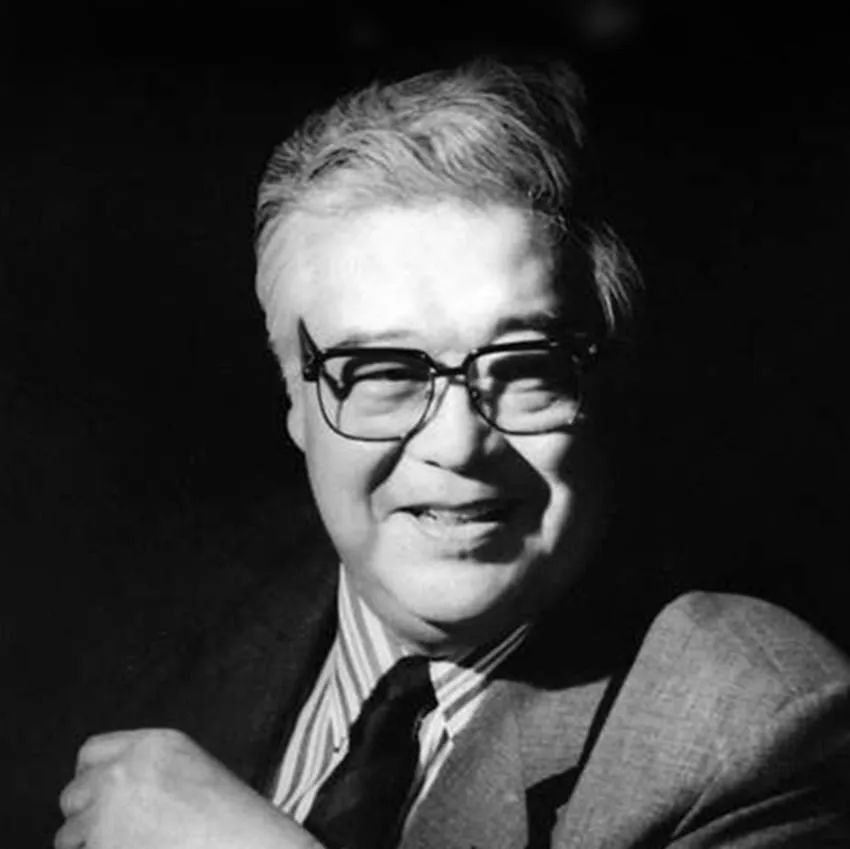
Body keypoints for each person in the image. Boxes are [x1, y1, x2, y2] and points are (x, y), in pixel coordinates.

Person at [55, 57, 850, 849]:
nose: (459, 442)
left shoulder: (756, 720)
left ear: (603, 383)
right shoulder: (167, 621)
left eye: (526, 367)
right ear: (295, 400)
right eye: (382, 372)